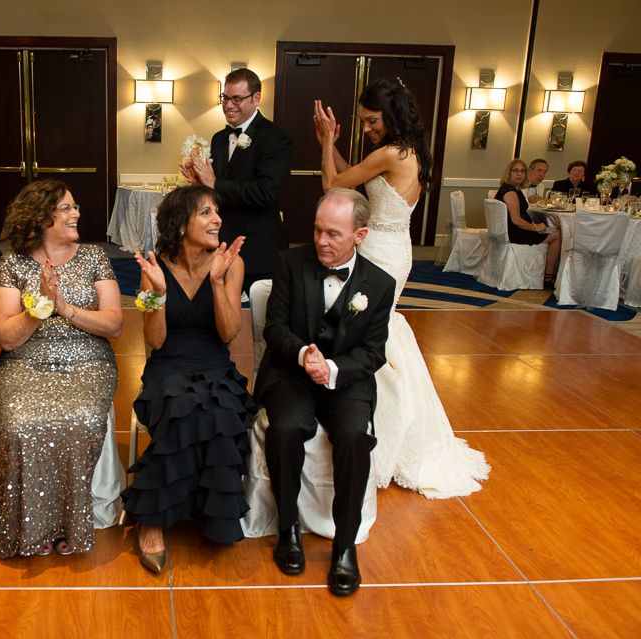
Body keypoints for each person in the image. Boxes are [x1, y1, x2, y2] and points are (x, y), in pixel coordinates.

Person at [313, 78, 490, 499]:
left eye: (372, 121)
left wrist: (324, 140)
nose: (368, 128)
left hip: (380, 251)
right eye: (364, 122)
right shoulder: (403, 151)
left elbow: (333, 186)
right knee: (381, 331)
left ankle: (383, 432)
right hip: (392, 246)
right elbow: (348, 177)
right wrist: (334, 144)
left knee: (373, 332)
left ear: (390, 117)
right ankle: (375, 420)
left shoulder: (390, 153)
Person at [255, 188, 395, 594]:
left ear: (360, 236)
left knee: (354, 435)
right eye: (317, 230)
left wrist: (332, 368)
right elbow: (274, 329)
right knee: (286, 429)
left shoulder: (379, 285)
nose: (320, 241)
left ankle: (345, 544)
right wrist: (304, 356)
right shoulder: (288, 263)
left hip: (345, 380)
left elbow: (373, 353)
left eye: (333, 233)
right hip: (292, 373)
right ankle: (287, 529)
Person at [121, 184, 255, 573]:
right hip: (168, 367)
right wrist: (159, 293)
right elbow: (155, 340)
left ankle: (210, 514)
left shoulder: (231, 264)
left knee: (220, 411)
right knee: (181, 406)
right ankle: (152, 519)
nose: (217, 220)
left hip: (216, 364)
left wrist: (216, 283)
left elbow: (229, 334)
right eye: (205, 213)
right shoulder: (154, 267)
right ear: (180, 224)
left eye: (217, 211)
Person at [0, 180, 122, 559]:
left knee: (81, 418)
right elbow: (8, 338)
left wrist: (67, 310)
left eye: (75, 207)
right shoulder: (13, 262)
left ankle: (69, 524)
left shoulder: (93, 255)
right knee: (18, 425)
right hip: (26, 361)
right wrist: (39, 308)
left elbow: (114, 325)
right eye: (66, 208)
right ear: (41, 217)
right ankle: (30, 527)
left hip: (87, 361)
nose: (76, 213)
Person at [179, 68, 293, 293]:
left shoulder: (276, 137)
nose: (229, 105)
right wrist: (201, 184)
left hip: (258, 250)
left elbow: (265, 193)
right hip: (220, 245)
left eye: (237, 99)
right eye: (225, 98)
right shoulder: (219, 138)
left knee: (257, 318)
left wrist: (213, 184)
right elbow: (218, 192)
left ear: (256, 98)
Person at [495, 158, 562, 288]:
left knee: (552, 231)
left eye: (522, 171)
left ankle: (547, 273)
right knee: (557, 233)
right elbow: (517, 220)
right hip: (517, 233)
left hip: (514, 231)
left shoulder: (514, 189)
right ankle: (549, 275)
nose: (519, 174)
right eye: (516, 171)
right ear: (509, 173)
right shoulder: (510, 192)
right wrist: (536, 227)